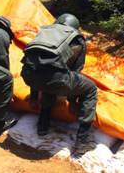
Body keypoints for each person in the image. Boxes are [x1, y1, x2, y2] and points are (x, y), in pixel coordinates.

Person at [21, 14, 97, 149]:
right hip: (54, 79)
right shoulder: (76, 39)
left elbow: (35, 64)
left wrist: (33, 97)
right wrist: (72, 102)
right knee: (90, 88)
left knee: (49, 82)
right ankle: (82, 141)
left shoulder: (45, 32)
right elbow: (75, 73)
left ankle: (42, 127)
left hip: (28, 75)